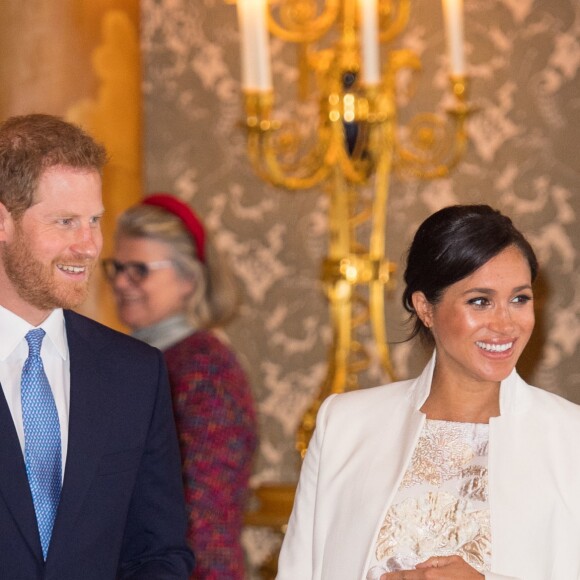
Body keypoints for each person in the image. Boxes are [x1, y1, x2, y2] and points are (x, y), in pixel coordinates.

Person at [276, 204, 580, 580]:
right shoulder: (345, 424)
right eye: (480, 301)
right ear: (425, 308)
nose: (506, 324)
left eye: (520, 298)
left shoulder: (570, 437)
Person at [0, 114, 194, 579]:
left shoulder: (136, 373)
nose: (88, 246)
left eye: (94, 221)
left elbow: (159, 550)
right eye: (65, 222)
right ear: (3, 222)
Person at [103, 193, 258, 579]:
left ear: (188, 279)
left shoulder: (204, 368)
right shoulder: (137, 359)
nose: (122, 282)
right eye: (117, 267)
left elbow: (201, 514)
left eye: (139, 269)